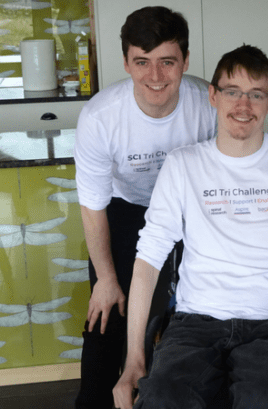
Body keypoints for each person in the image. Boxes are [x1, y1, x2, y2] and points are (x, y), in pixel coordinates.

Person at [113, 44, 268, 409]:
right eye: (232, 92)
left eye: (256, 95)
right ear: (213, 96)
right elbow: (148, 260)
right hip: (195, 325)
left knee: (266, 402)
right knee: (163, 400)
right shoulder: (183, 165)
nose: (243, 106)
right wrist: (133, 361)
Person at [73, 6, 216, 409]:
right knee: (107, 316)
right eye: (143, 62)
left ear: (185, 61)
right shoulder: (100, 117)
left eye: (167, 62)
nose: (155, 77)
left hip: (192, 212)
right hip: (126, 210)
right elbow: (93, 206)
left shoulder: (207, 104)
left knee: (194, 315)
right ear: (126, 63)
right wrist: (105, 279)